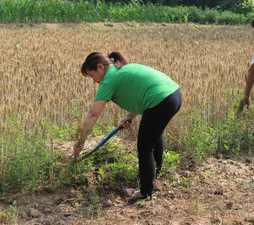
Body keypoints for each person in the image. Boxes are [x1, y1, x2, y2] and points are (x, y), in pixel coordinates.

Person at [73, 51, 182, 200]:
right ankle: (156, 172)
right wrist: (129, 116)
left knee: (145, 148)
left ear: (100, 67)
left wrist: (80, 142)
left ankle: (145, 192)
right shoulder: (122, 69)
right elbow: (140, 93)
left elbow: (93, 114)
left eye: (92, 75)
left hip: (160, 100)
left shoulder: (108, 80)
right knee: (154, 134)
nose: (94, 81)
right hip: (174, 94)